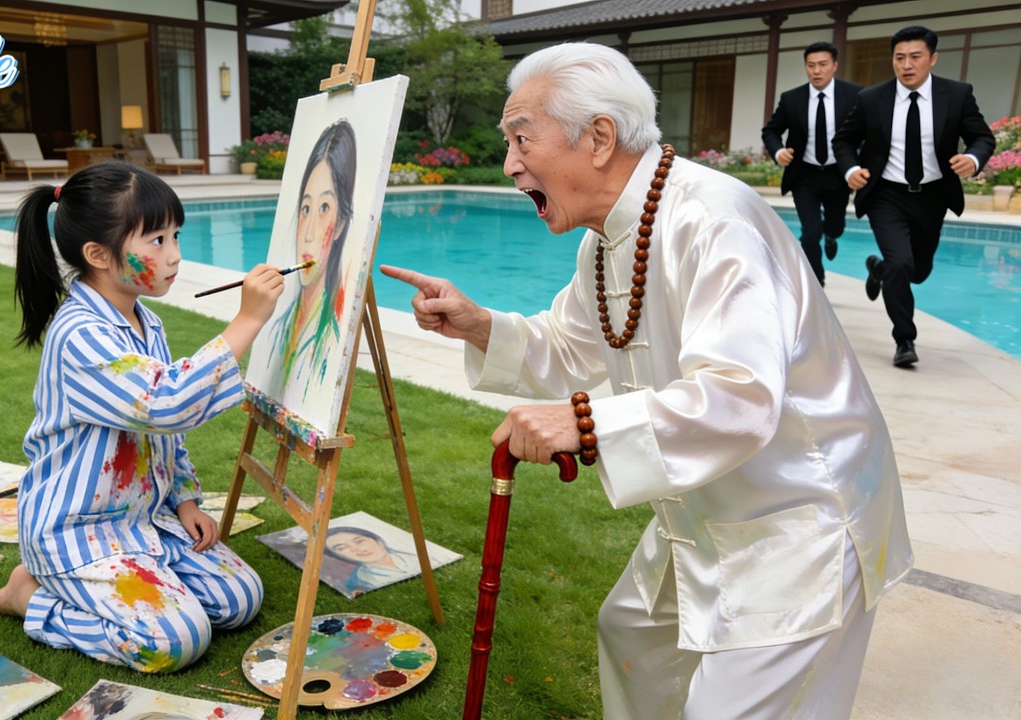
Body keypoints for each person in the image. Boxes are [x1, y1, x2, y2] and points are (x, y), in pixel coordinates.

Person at [381, 42, 913, 719]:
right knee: (631, 632)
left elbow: (741, 393)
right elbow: (571, 344)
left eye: (522, 138)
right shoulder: (606, 234)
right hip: (706, 503)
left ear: (598, 138)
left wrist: (583, 424)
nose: (511, 163)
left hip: (798, 514)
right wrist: (479, 324)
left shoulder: (712, 217)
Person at [0, 161, 284, 674]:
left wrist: (186, 499)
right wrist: (248, 319)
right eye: (157, 240)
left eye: (175, 235)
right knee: (176, 642)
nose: (175, 255)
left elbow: (163, 434)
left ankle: (155, 583)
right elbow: (165, 403)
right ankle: (27, 596)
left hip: (142, 518)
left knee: (239, 600)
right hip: (76, 531)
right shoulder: (80, 333)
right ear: (97, 255)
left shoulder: (147, 321)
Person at [833, 25, 995, 367]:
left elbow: (982, 137)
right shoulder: (871, 98)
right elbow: (844, 141)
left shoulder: (957, 94)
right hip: (885, 194)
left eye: (915, 57)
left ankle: (878, 270)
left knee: (918, 272)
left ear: (932, 59)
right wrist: (850, 170)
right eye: (899, 57)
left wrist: (973, 158)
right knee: (901, 264)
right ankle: (904, 339)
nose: (906, 64)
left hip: (932, 195)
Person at [256, 120, 357, 402]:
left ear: (340, 224)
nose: (309, 234)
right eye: (305, 208)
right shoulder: (279, 326)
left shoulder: (329, 343)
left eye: (325, 208)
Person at [761, 41, 863, 286]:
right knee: (810, 232)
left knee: (835, 226)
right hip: (804, 175)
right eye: (811, 65)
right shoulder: (791, 99)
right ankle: (817, 280)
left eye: (823, 65)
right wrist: (778, 152)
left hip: (838, 174)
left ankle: (832, 236)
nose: (816, 71)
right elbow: (771, 131)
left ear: (835, 66)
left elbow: (869, 132)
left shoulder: (855, 95)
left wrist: (859, 165)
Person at [323, 526, 421, 596]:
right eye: (342, 548)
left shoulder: (415, 556)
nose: (357, 549)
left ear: (378, 541)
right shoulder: (359, 581)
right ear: (339, 556)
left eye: (359, 541)